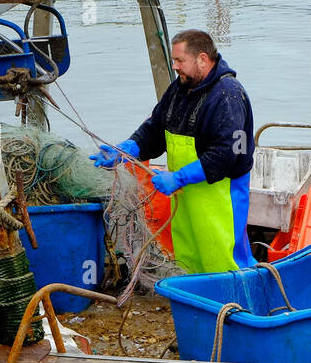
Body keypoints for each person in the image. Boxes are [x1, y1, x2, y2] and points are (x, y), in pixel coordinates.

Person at [91, 29, 255, 275]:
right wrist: (126, 150)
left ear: (202, 59)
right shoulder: (179, 89)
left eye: (180, 61)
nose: (175, 66)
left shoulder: (228, 95)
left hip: (222, 198)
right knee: (189, 261)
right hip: (186, 198)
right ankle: (198, 309)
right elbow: (155, 129)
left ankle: (238, 310)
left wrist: (178, 178)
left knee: (226, 262)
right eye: (173, 60)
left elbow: (226, 155)